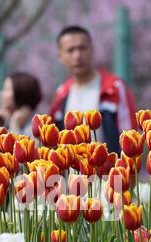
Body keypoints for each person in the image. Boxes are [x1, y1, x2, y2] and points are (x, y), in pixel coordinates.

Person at [50, 26, 137, 154]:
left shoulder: (114, 88)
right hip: (71, 173)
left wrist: (123, 172)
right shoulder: (62, 94)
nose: (77, 56)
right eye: (70, 50)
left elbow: (130, 139)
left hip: (109, 172)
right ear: (60, 56)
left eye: (82, 48)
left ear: (92, 50)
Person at [0, 71, 42, 137]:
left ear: (21, 93)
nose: (1, 94)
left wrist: (15, 125)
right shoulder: (5, 119)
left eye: (6, 89)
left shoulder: (35, 127)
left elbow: (17, 146)